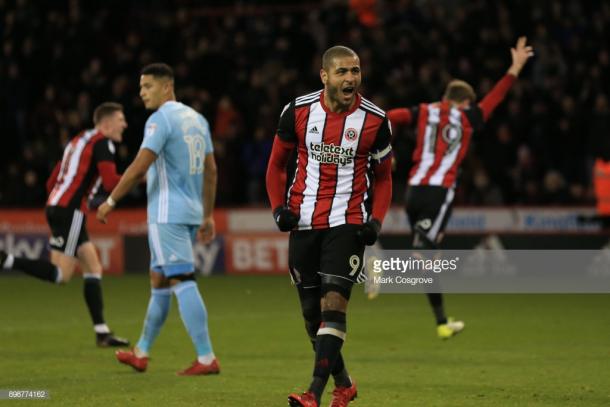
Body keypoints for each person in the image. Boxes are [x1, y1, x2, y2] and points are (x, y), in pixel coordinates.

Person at [266, 45, 393, 407]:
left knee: (333, 306)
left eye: (355, 70)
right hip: (304, 221)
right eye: (342, 72)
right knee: (312, 318)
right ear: (325, 76)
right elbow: (276, 165)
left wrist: (376, 221)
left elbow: (384, 178)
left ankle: (314, 393)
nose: (351, 78)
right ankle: (345, 384)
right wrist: (278, 210)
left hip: (348, 222)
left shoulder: (374, 120)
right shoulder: (298, 111)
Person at [387, 36, 534, 339]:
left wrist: (378, 144)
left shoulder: (422, 111)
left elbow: (389, 118)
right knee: (423, 253)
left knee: (431, 260)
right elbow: (495, 99)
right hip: (439, 192)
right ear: (465, 102)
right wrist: (515, 68)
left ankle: (441, 322)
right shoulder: (468, 117)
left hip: (413, 191)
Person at [96, 63, 219, 376]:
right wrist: (207, 214)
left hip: (168, 214)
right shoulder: (197, 119)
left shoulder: (160, 119)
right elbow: (211, 170)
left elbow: (140, 165)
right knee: (159, 280)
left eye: (147, 86)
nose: (141, 93)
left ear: (167, 87)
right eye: (140, 87)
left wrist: (111, 201)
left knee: (181, 278)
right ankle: (142, 352)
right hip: (190, 211)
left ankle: (206, 358)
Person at [0, 102, 130, 347]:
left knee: (93, 266)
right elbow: (112, 182)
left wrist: (59, 205)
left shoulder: (78, 141)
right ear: (106, 123)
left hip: (59, 206)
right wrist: (140, 176)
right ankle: (6, 260)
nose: (125, 124)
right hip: (70, 211)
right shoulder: (103, 142)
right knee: (61, 275)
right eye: (121, 119)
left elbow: (53, 179)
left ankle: (102, 332)